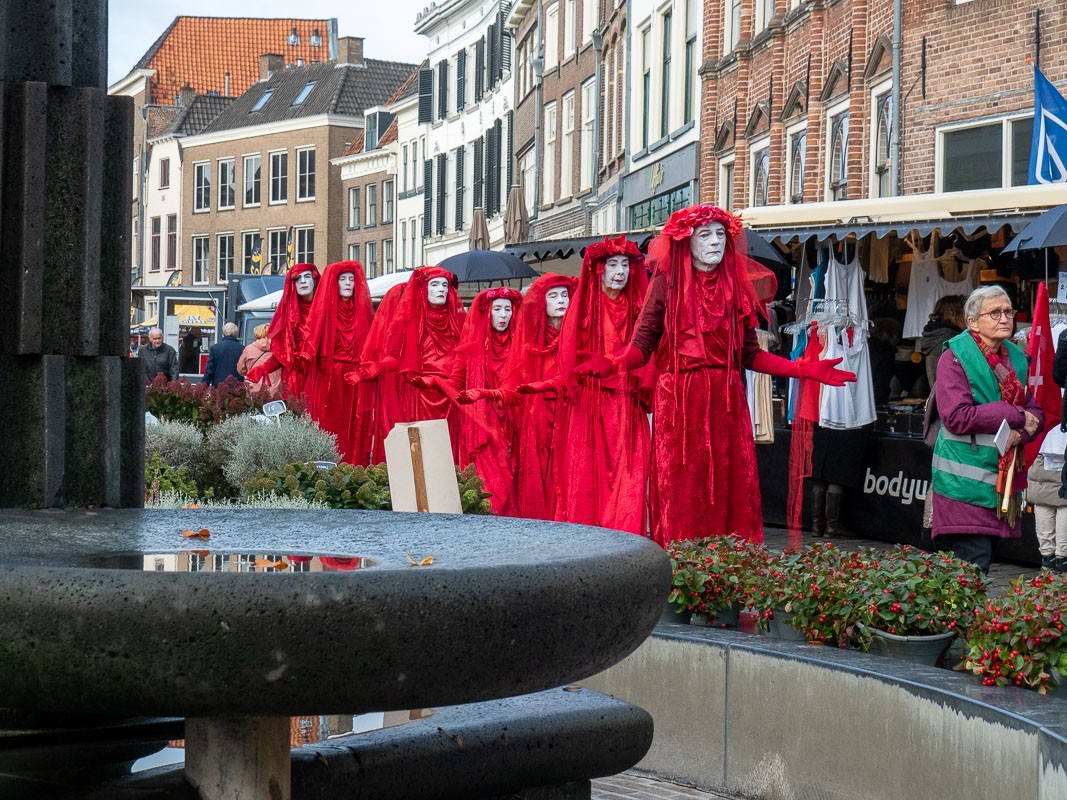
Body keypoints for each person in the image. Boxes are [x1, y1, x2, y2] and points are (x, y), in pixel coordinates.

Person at [576, 205, 854, 546]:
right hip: (678, 402)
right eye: (704, 235)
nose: (715, 242)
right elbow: (642, 346)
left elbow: (749, 355)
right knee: (681, 487)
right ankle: (681, 570)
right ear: (686, 242)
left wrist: (803, 370)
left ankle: (727, 571)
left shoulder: (734, 286)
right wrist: (613, 362)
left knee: (728, 485)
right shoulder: (665, 284)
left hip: (726, 401)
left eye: (721, 234)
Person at [930, 285, 1044, 573]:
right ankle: (961, 618)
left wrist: (1022, 432)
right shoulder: (954, 357)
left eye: (1008, 311)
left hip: (999, 484)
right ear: (972, 322)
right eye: (995, 313)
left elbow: (1036, 412)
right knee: (973, 564)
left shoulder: (1015, 358)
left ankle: (961, 616)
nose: (1005, 318)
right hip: (962, 483)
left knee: (978, 562)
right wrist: (1015, 414)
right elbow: (956, 416)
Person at [549, 236, 654, 535]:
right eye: (613, 265)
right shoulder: (583, 308)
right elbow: (569, 354)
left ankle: (626, 538)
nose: (620, 271)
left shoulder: (637, 309)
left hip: (626, 401)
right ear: (599, 269)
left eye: (625, 265)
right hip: (591, 404)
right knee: (588, 474)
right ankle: (587, 540)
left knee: (630, 474)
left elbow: (648, 351)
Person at [463, 273, 577, 520]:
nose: (561, 301)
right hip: (533, 421)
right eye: (553, 296)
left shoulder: (579, 336)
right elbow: (515, 388)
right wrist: (485, 393)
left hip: (570, 418)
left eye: (565, 295)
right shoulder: (529, 343)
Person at [346, 267, 466, 463]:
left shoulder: (458, 323)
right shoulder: (409, 322)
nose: (441, 290)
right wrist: (374, 369)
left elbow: (467, 358)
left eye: (444, 285)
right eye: (434, 285)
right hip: (418, 396)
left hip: (448, 397)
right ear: (423, 289)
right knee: (420, 453)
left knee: (446, 455)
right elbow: (394, 357)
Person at [434, 287, 523, 515]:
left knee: (510, 485)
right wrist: (434, 382)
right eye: (497, 309)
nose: (503, 316)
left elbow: (520, 391)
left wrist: (487, 393)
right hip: (479, 429)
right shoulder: (470, 350)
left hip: (512, 427)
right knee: (485, 487)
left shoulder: (521, 349)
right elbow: (455, 381)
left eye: (507, 309)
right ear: (487, 313)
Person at [300, 261, 374, 463]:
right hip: (329, 377)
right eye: (343, 279)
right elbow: (313, 336)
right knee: (329, 423)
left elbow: (371, 344)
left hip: (354, 379)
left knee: (353, 426)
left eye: (352, 279)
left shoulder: (363, 312)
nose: (348, 283)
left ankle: (354, 465)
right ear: (334, 283)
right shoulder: (324, 311)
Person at [246, 263, 320, 400]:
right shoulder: (288, 315)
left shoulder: (325, 311)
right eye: (297, 278)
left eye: (307, 276)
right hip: (293, 383)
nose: (302, 281)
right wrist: (263, 369)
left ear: (315, 280)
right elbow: (281, 355)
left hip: (319, 379)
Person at [238, 324, 282, 400]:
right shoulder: (279, 348)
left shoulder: (249, 349)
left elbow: (241, 369)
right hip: (276, 389)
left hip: (254, 387)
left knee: (256, 410)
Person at [203, 322, 244, 387]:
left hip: (219, 386)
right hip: (237, 386)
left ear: (223, 333)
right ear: (236, 334)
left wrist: (204, 386)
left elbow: (210, 369)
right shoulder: (242, 349)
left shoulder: (215, 348)